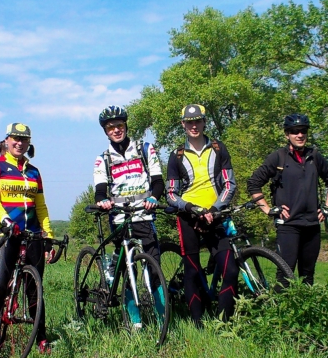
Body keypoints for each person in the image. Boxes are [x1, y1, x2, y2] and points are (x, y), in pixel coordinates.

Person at [0, 123, 55, 358]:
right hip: (4, 232)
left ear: (29, 143)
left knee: (35, 289)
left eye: (24, 139)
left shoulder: (34, 172)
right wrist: (5, 220)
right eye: (15, 138)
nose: (19, 143)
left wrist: (48, 236)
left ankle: (41, 339)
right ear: (6, 140)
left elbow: (41, 206)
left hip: (32, 234)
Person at [165, 104, 240, 323]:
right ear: (183, 124)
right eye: (189, 122)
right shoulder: (176, 155)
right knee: (192, 271)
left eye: (198, 121)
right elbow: (171, 194)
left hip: (215, 216)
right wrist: (191, 208)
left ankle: (223, 324)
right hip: (189, 217)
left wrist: (215, 209)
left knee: (231, 270)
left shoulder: (218, 148)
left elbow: (229, 184)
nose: (194, 126)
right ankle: (197, 324)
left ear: (204, 122)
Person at [92, 105, 165, 328]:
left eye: (119, 125)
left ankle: (162, 320)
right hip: (119, 218)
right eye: (110, 127)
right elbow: (100, 190)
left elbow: (158, 181)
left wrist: (154, 197)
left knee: (154, 268)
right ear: (106, 131)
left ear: (125, 126)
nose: (116, 130)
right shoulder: (103, 159)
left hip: (144, 215)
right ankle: (135, 323)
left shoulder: (145, 149)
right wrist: (103, 201)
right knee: (127, 270)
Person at [247, 113, 328, 285]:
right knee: (285, 275)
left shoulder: (314, 156)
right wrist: (268, 209)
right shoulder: (278, 157)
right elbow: (254, 183)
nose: (300, 135)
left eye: (303, 131)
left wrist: (327, 208)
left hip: (312, 225)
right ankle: (281, 303)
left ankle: (306, 304)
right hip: (288, 225)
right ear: (287, 134)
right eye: (295, 131)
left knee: (308, 276)